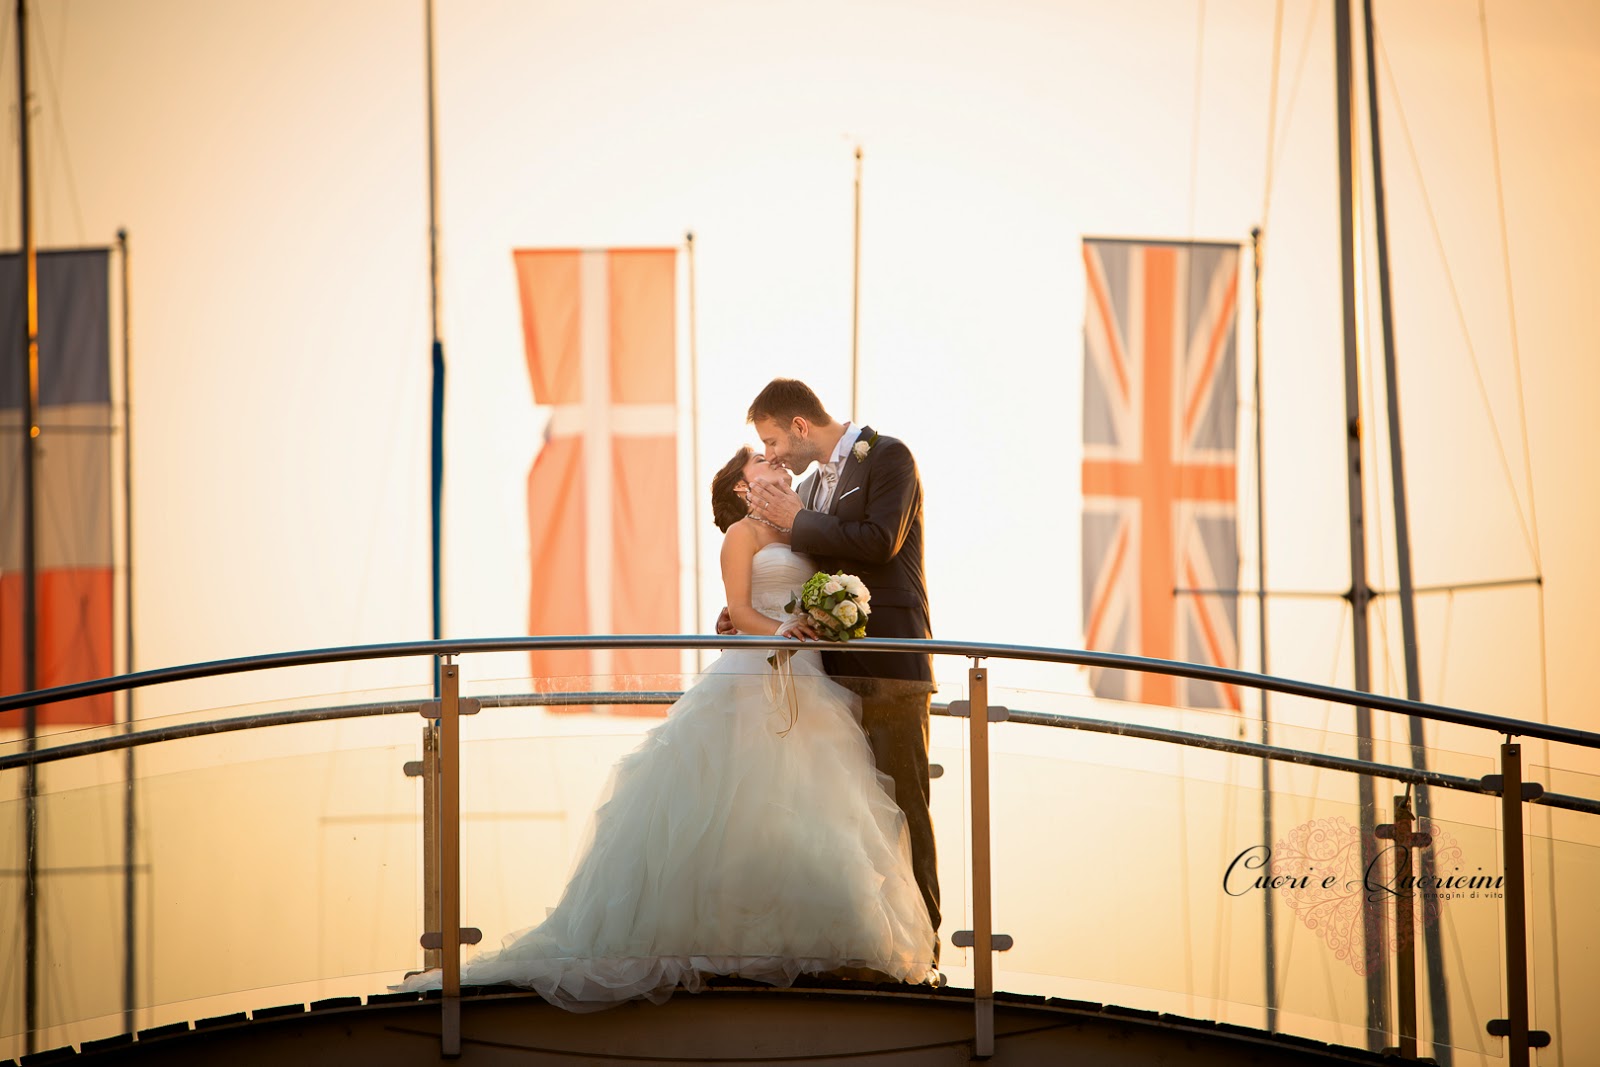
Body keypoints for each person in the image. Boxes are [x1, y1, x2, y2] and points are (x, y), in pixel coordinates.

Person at [395, 446, 933, 1009]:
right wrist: (778, 632)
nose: (776, 463)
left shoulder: (803, 533)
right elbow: (740, 612)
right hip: (757, 675)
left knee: (814, 805)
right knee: (746, 797)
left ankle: (809, 939)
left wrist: (827, 614)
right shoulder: (742, 536)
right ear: (743, 488)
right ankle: (728, 940)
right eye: (761, 461)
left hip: (811, 676)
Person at [731, 378, 940, 969]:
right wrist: (754, 608)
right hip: (831, 675)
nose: (772, 455)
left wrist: (798, 520)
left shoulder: (889, 456)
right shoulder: (812, 487)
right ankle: (868, 945)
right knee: (851, 814)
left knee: (905, 804)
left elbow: (879, 541)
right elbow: (811, 569)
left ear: (800, 426)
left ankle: (923, 951)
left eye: (774, 441)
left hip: (891, 662)